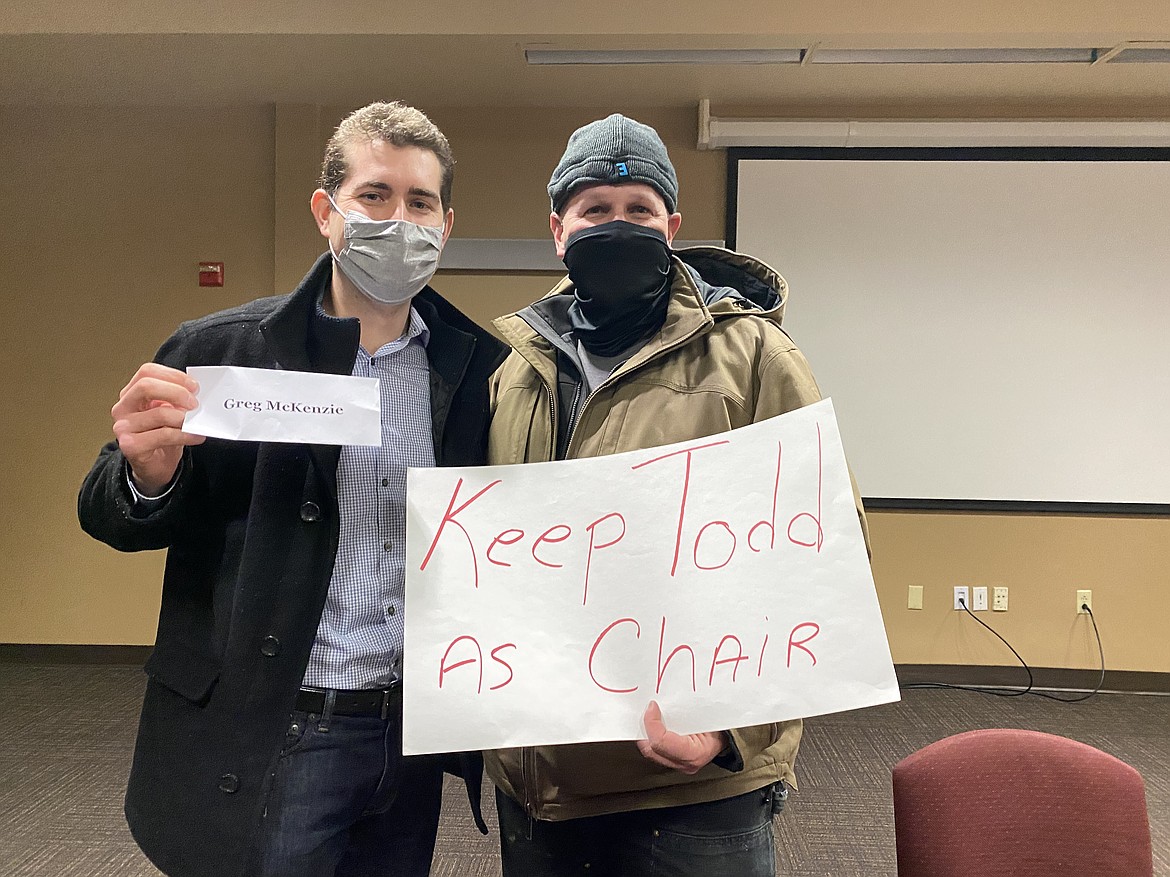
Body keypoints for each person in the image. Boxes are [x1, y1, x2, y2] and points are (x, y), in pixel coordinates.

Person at [78, 101, 506, 877]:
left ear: (445, 225)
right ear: (325, 210)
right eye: (374, 196)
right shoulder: (225, 349)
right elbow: (109, 509)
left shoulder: (477, 371)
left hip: (404, 736)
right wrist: (146, 474)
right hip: (274, 726)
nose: (398, 221)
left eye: (419, 203)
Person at [485, 114, 870, 876]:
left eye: (640, 209)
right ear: (558, 229)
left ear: (673, 225)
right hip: (544, 786)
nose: (617, 224)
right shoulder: (515, 369)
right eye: (596, 210)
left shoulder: (754, 354)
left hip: (688, 793)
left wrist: (734, 730)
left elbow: (826, 550)